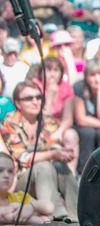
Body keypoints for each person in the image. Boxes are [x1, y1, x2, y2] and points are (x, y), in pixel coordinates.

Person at [1, 82, 78, 219]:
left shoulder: (47, 120)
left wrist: (61, 154)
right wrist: (52, 154)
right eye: (29, 98)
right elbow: (22, 158)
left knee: (60, 166)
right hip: (20, 179)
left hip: (47, 174)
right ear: (18, 103)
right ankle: (52, 217)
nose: (35, 101)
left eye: (38, 97)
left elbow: (55, 146)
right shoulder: (10, 123)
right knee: (43, 166)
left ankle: (77, 215)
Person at [73, 58, 100, 174]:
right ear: (86, 77)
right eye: (92, 75)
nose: (97, 79)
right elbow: (81, 119)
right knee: (87, 132)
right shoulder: (79, 87)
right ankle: (84, 172)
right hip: (84, 126)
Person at [0, 152, 54, 224]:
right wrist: (37, 219)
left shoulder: (19, 196)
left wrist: (31, 207)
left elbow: (49, 207)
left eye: (10, 171)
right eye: (0, 170)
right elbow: (9, 216)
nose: (6, 175)